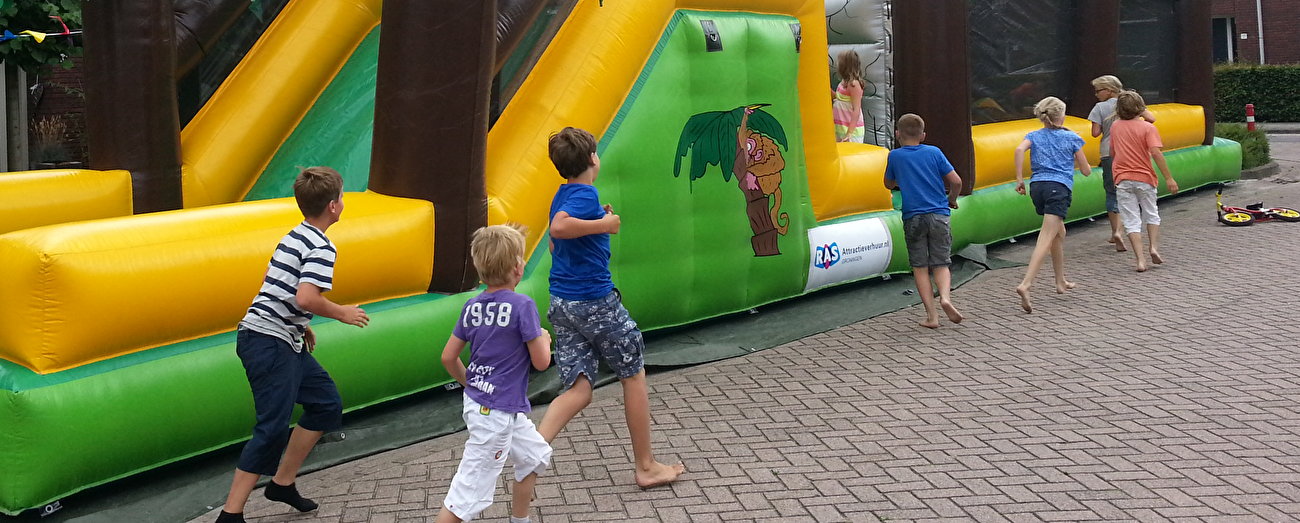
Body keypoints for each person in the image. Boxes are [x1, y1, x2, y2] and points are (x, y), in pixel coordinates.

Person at [216, 167, 370, 523]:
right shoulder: (321, 246)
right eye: (342, 197)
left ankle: (282, 483)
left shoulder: (295, 235)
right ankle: (231, 513)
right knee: (272, 427)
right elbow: (305, 296)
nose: (343, 202)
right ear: (333, 206)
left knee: (325, 403)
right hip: (267, 341)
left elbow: (279, 287)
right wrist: (340, 312)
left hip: (282, 337)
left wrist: (300, 327)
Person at [535, 127, 685, 489]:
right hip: (594, 302)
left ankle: (532, 450)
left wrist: (593, 225)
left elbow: (558, 246)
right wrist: (604, 223)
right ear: (591, 160)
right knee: (633, 373)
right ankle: (646, 466)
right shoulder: (585, 195)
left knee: (580, 389)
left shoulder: (563, 195)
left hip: (562, 303)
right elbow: (559, 229)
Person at [436, 225, 554, 523]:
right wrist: (545, 340)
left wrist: (471, 384)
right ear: (518, 268)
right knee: (468, 495)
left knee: (533, 456)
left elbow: (448, 357)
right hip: (496, 414)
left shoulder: (472, 305)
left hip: (489, 406)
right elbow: (541, 362)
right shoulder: (522, 305)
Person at [883, 113, 965, 328]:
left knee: (920, 267)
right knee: (941, 263)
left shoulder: (895, 156)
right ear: (924, 135)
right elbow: (956, 181)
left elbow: (888, 184)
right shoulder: (934, 152)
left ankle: (932, 316)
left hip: (913, 216)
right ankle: (946, 297)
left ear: (897, 133)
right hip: (939, 214)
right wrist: (952, 200)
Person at [1012, 97, 1091, 313]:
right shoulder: (1071, 137)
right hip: (1059, 187)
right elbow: (1086, 170)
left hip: (1037, 187)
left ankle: (1060, 281)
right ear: (1061, 116)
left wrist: (1020, 179)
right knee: (1046, 236)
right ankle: (1026, 284)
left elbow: (1019, 150)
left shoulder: (1034, 136)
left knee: (1058, 233)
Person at [1109, 90, 1179, 272]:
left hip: (1123, 178)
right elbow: (1156, 153)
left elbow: (1112, 153)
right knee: (1151, 213)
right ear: (1140, 108)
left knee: (1131, 220)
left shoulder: (1115, 126)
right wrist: (1169, 178)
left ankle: (1140, 260)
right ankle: (1153, 248)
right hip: (1145, 177)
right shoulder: (1148, 128)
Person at [1088, 75, 1156, 250]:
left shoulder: (1099, 107)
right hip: (1133, 152)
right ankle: (1125, 230)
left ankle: (1115, 232)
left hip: (1108, 152)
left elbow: (1095, 133)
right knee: (1132, 193)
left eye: (1098, 91)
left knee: (1112, 192)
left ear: (1109, 90)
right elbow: (1151, 118)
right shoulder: (1129, 102)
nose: (1096, 95)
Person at [831, 49, 865, 143]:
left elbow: (856, 109)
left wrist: (849, 132)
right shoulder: (843, 82)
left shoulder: (854, 84)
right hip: (840, 127)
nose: (837, 64)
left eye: (839, 62)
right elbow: (839, 99)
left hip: (851, 130)